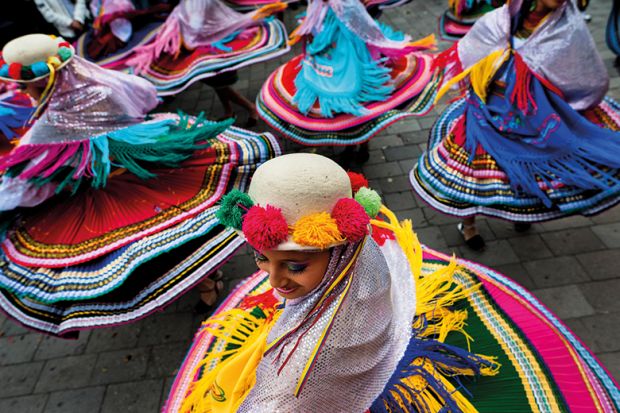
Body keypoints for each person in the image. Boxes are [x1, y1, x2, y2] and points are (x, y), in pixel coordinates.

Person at [164, 153, 619, 412]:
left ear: (338, 250)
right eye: (262, 259)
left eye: (295, 266)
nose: (274, 280)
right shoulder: (366, 259)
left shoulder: (310, 366)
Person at [0, 34, 281, 336]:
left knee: (163, 242)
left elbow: (25, 186)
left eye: (23, 84)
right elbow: (146, 94)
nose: (22, 91)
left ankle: (205, 280)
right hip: (151, 161)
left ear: (40, 83)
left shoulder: (49, 128)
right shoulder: (103, 82)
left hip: (116, 188)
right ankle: (207, 278)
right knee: (184, 229)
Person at [411, 0, 620, 251]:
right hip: (487, 109)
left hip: (533, 116)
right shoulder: (500, 21)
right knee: (472, 169)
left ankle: (519, 212)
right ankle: (468, 225)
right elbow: (471, 55)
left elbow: (586, 76)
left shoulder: (569, 29)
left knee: (524, 169)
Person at [257, 0, 439, 151]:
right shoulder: (320, 5)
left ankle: (360, 144)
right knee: (351, 106)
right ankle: (356, 144)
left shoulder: (347, 5)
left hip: (356, 56)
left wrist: (398, 47)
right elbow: (311, 27)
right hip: (329, 56)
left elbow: (368, 31)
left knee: (359, 102)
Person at [124, 0, 289, 97]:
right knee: (219, 87)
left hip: (200, 50)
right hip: (192, 49)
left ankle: (249, 109)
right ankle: (231, 110)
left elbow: (203, 27)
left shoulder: (198, 3)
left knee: (220, 86)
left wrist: (255, 16)